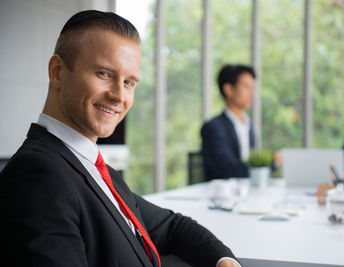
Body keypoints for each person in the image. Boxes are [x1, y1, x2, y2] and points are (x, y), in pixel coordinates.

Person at [0, 10, 241, 267]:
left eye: (129, 82)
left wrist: (223, 260)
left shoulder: (95, 168)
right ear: (58, 71)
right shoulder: (38, 175)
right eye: (104, 74)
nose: (119, 96)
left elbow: (171, 226)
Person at [201, 64, 256, 181]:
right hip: (222, 194)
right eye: (246, 87)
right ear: (229, 89)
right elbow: (228, 171)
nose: (252, 94)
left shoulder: (248, 124)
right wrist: (268, 164)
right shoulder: (213, 128)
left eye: (253, 88)